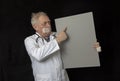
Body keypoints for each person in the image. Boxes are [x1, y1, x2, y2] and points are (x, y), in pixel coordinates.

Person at [24, 11, 101, 81]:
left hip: (62, 77)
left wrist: (94, 47)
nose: (48, 25)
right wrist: (58, 40)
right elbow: (38, 55)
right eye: (44, 23)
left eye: (49, 22)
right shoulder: (30, 40)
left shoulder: (57, 35)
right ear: (35, 27)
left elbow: (76, 48)